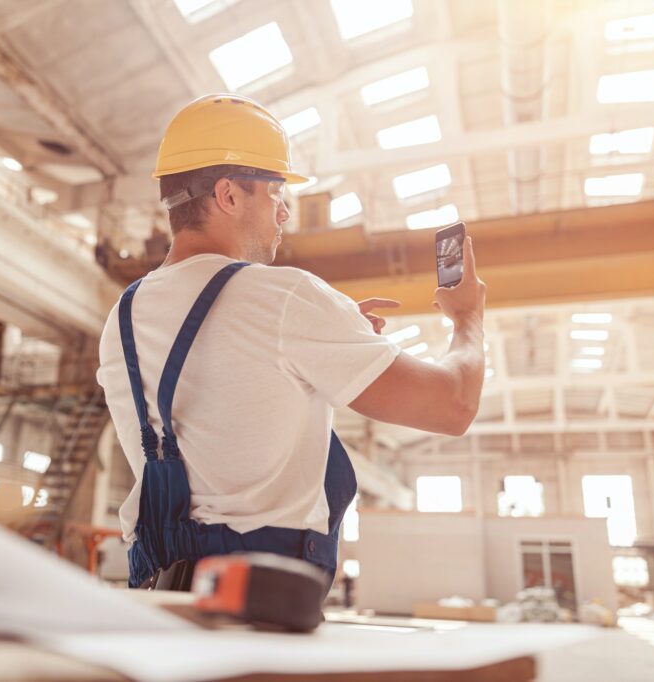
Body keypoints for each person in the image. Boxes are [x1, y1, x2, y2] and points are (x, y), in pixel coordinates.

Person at [96, 94, 486, 590]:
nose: (283, 214)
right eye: (276, 193)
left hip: (159, 600)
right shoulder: (284, 297)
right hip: (260, 604)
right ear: (229, 195)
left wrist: (332, 341)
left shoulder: (123, 315)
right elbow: (453, 405)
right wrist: (467, 317)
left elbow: (231, 396)